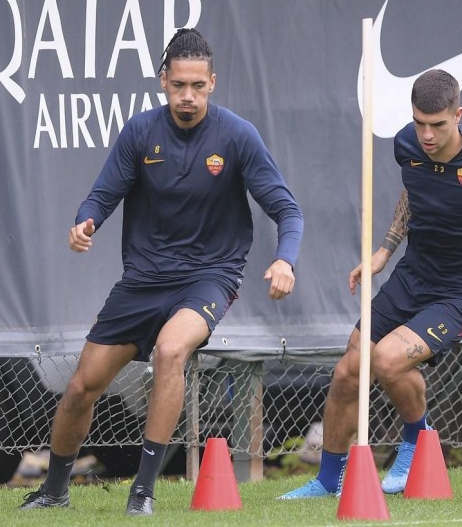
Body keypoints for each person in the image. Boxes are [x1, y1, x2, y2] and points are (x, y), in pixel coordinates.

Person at [20, 28, 303, 515]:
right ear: (162, 82)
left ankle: (143, 493)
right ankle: (54, 491)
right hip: (143, 281)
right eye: (178, 86)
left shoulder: (237, 136)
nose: (187, 97)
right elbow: (102, 194)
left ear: (212, 82)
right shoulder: (140, 132)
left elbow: (287, 210)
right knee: (81, 386)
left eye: (197, 86)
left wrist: (285, 259)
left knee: (171, 351)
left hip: (210, 277)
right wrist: (84, 223)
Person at [280, 69, 462, 499]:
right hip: (414, 275)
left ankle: (417, 441)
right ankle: (329, 481)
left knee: (385, 360)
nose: (427, 134)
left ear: (458, 115)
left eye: (437, 124)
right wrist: (385, 250)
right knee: (348, 371)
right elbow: (411, 193)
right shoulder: (407, 144)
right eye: (420, 122)